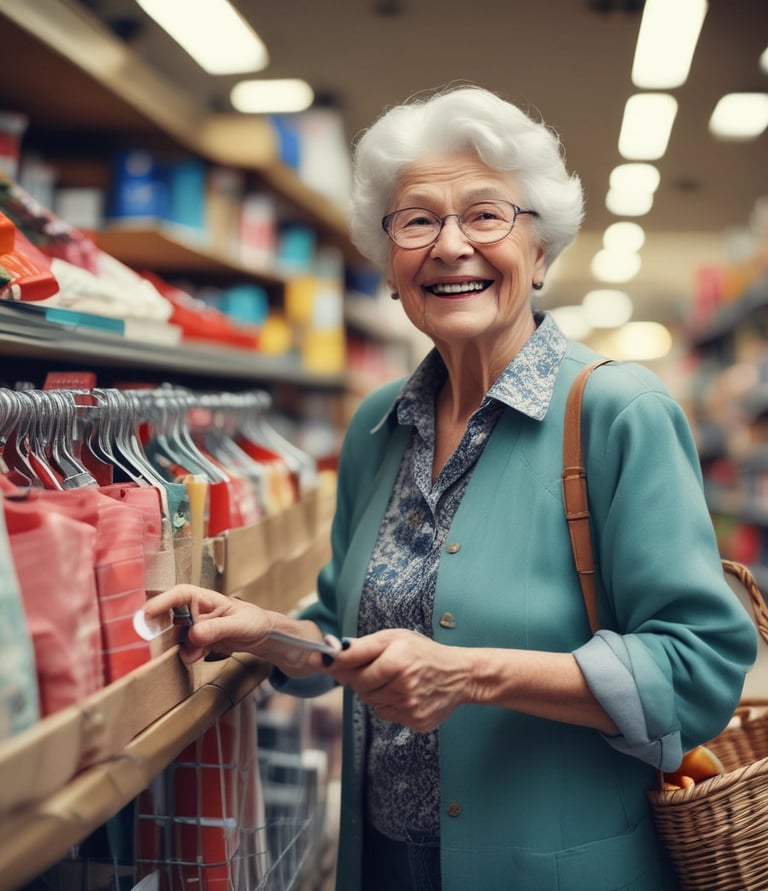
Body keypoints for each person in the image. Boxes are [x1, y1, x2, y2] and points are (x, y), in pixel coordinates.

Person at [146, 85, 758, 890]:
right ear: (391, 265)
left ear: (540, 253)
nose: (450, 245)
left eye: (485, 215)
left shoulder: (617, 413)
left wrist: (470, 673)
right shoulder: (378, 426)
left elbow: (701, 667)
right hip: (387, 865)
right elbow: (346, 633)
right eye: (417, 220)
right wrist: (265, 632)